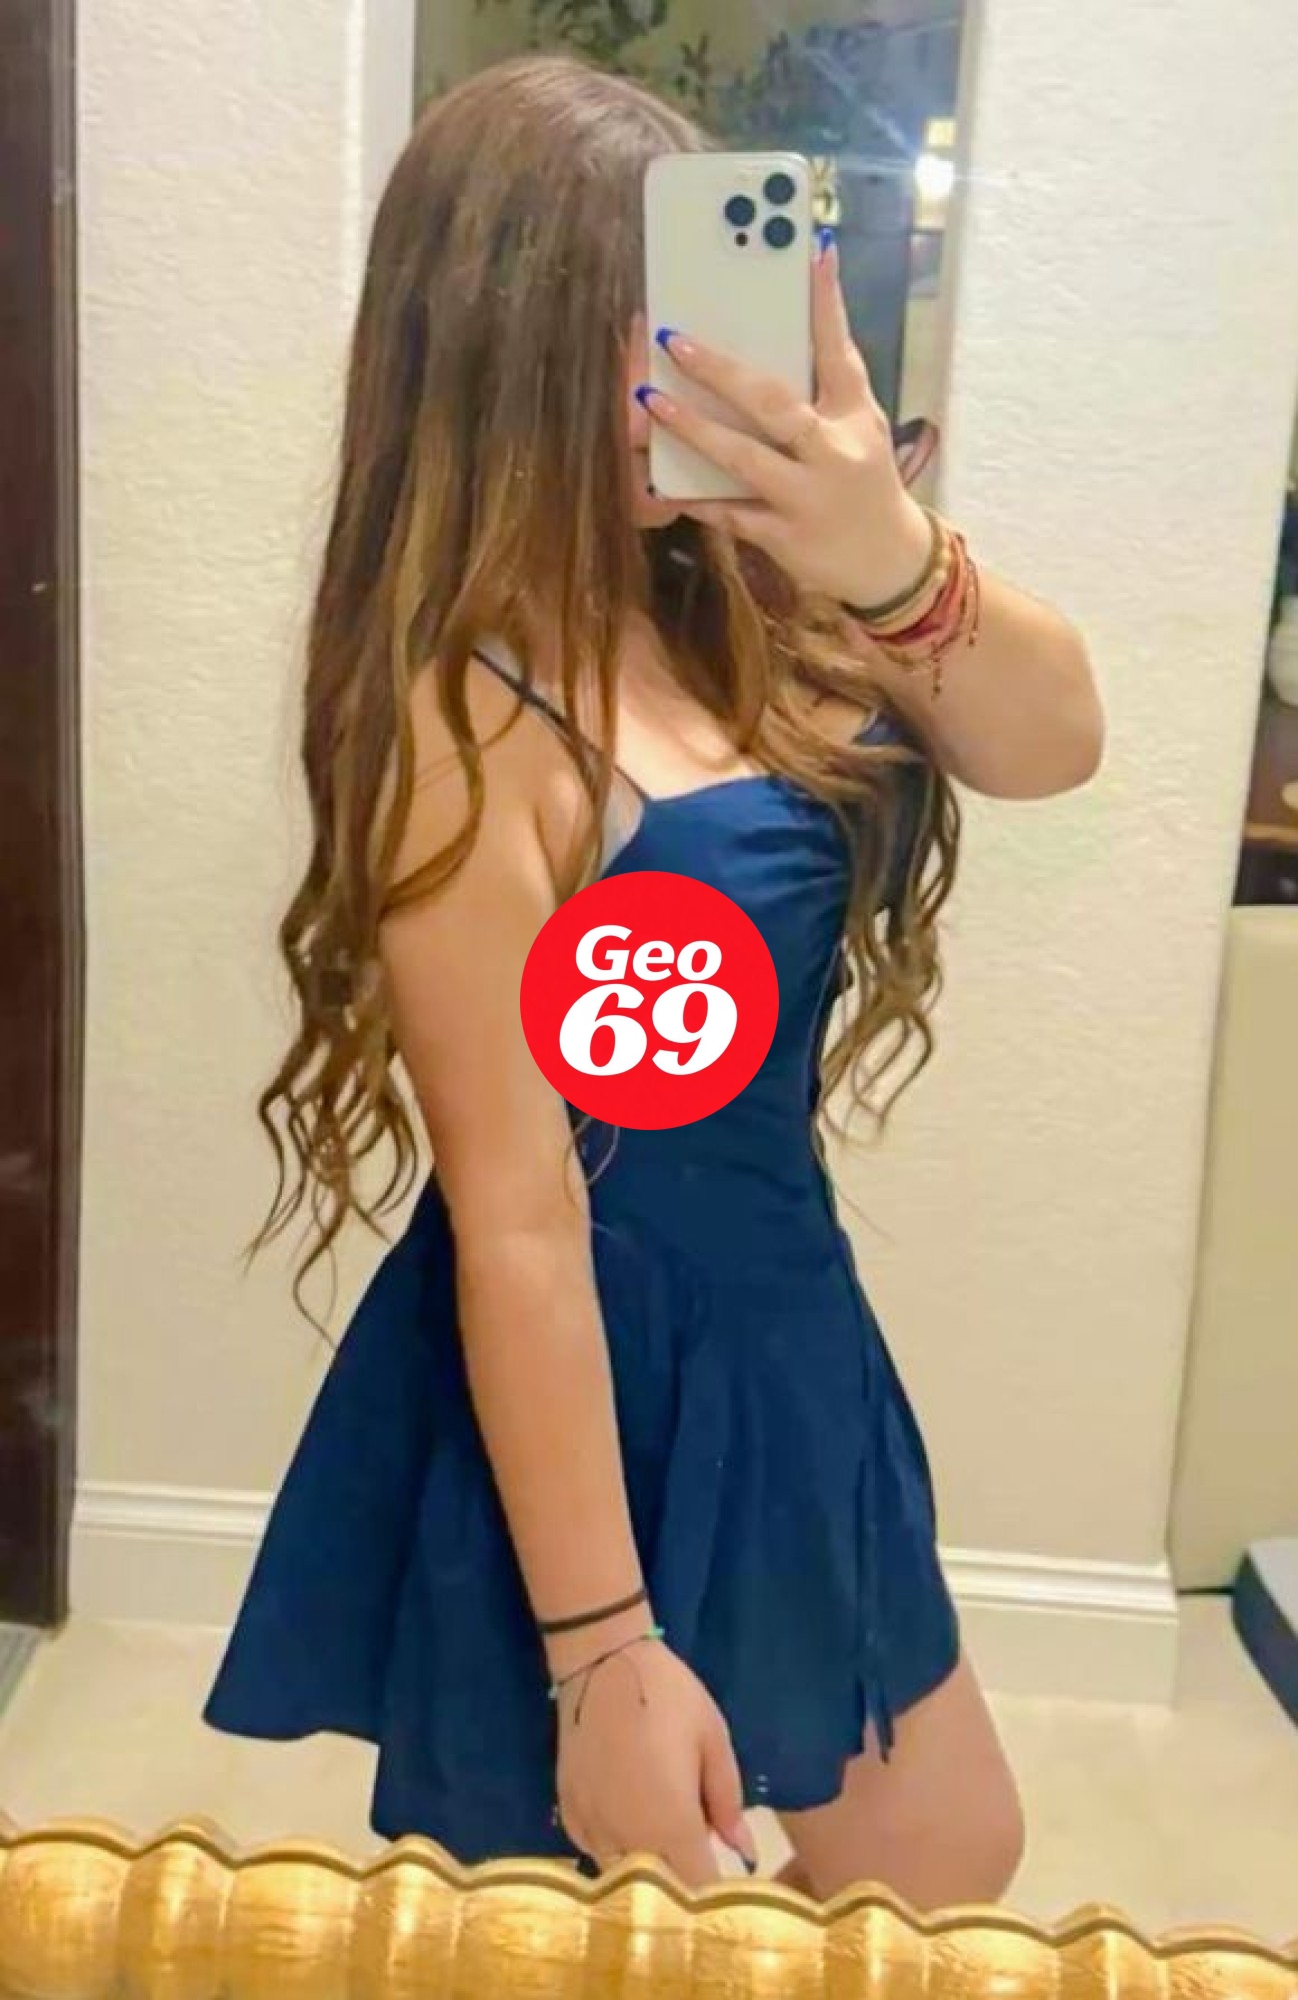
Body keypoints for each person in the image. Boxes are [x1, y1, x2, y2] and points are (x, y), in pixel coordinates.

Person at [204, 52, 1103, 1907]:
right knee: (612, 1904)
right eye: (617, 320)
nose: (677, 365)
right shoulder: (467, 712)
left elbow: (1053, 744)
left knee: (943, 1864)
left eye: (695, 302)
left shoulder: (743, 599)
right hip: (591, 1379)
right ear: (499, 346)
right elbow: (517, 1214)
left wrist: (890, 558)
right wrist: (601, 1650)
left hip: (789, 1332)